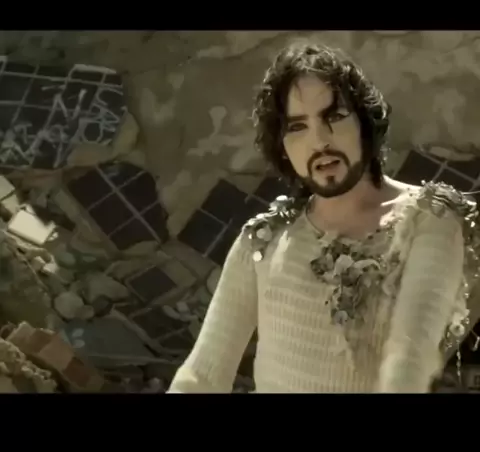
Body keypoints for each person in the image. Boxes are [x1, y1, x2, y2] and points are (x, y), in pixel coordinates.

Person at [168, 42, 480, 393]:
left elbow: (409, 360)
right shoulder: (264, 240)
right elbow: (201, 377)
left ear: (364, 122)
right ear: (282, 146)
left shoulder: (430, 219)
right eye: (297, 126)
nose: (319, 141)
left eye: (334, 116)